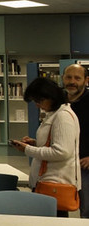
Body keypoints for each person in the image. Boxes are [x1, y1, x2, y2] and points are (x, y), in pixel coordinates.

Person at [10, 77, 80, 217]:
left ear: (51, 97)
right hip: (49, 181)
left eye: (39, 101)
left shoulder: (62, 117)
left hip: (55, 183)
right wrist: (35, 143)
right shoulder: (54, 114)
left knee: (53, 225)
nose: (37, 105)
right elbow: (57, 143)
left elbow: (62, 152)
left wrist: (28, 149)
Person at [63, 64, 89, 217]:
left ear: (86, 81)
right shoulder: (59, 102)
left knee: (87, 210)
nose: (72, 81)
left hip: (85, 167)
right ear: (63, 79)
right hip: (64, 165)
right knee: (61, 206)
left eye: (77, 78)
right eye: (68, 77)